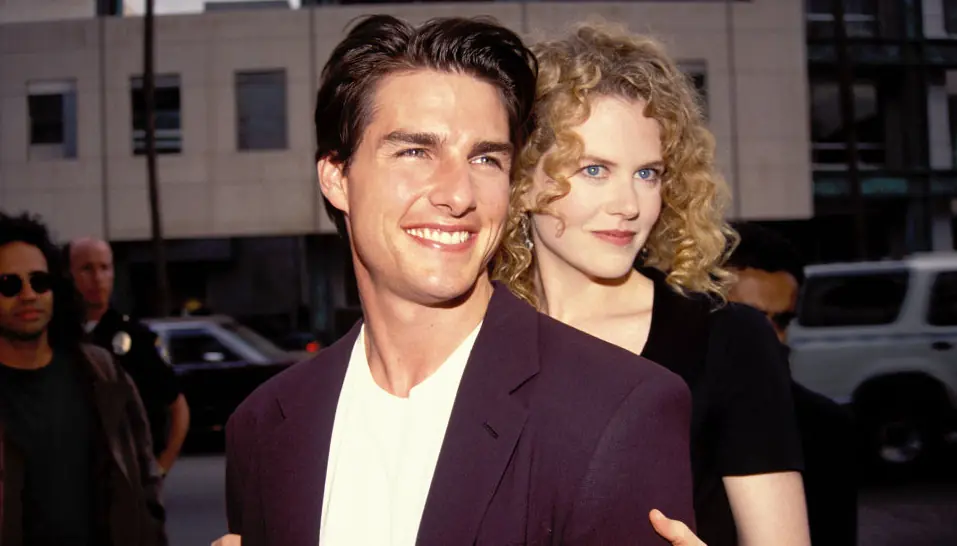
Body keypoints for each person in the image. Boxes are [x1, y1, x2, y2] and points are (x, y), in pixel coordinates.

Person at [220, 15, 696, 546]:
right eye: (416, 151)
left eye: (485, 158)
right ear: (336, 177)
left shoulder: (617, 410)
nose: (458, 193)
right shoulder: (265, 426)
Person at [492, 23, 811, 546]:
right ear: (524, 180)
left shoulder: (729, 342)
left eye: (648, 174)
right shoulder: (477, 339)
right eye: (595, 169)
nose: (630, 205)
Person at [0, 212, 167, 546]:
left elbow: (143, 471)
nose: (29, 295)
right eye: (9, 284)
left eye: (39, 281)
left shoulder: (100, 371)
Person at [726, 221, 858, 546]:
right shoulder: (665, 414)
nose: (769, 337)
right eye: (751, 319)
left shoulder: (824, 428)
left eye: (782, 321)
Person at [66, 236, 190, 476]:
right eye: (86, 269)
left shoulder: (135, 338)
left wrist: (160, 467)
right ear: (69, 275)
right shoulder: (61, 338)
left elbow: (178, 406)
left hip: (128, 475)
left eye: (104, 267)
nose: (97, 278)